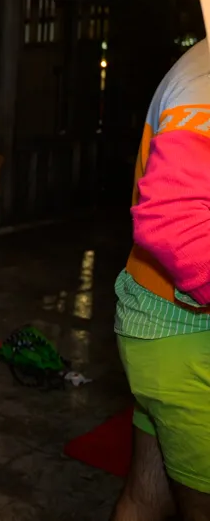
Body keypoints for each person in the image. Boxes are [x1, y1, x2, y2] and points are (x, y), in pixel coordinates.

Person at [111, 39, 210, 521]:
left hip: (159, 320)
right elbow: (175, 221)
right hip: (185, 330)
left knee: (147, 497)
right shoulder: (204, 77)